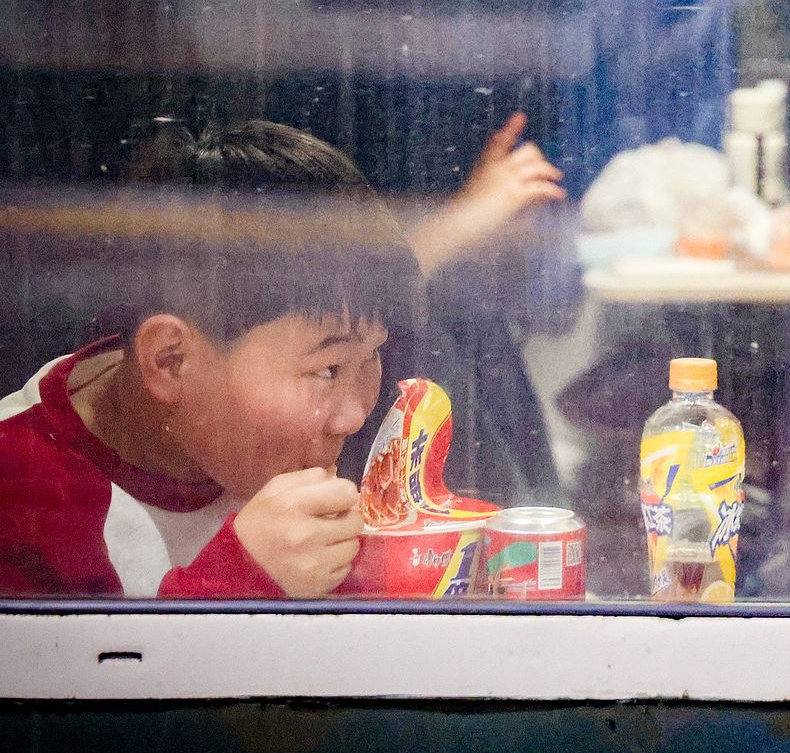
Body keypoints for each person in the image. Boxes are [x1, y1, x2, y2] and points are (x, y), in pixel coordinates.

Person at [0, 116, 564, 599]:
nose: (354, 416)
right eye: (326, 370)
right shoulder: (22, 496)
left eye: (372, 358)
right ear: (170, 362)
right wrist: (243, 580)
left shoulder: (291, 431)